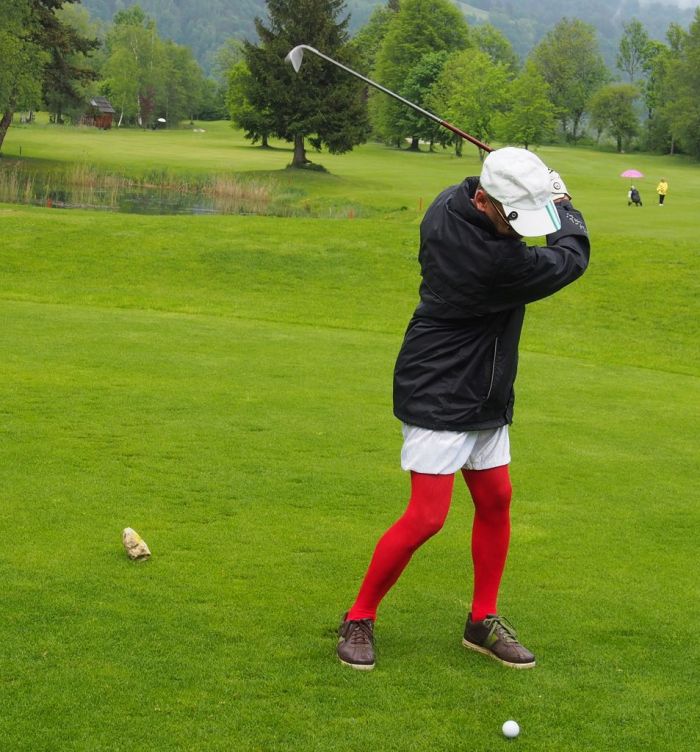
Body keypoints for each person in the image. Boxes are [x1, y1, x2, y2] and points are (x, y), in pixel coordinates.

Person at [336, 147, 590, 671]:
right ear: (482, 201)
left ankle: (482, 619)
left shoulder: (449, 202)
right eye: (512, 218)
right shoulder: (497, 263)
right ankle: (359, 617)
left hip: (486, 384)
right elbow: (569, 259)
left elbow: (499, 195)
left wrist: (522, 178)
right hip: (441, 385)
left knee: (497, 498)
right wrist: (562, 203)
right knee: (427, 516)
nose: (518, 231)